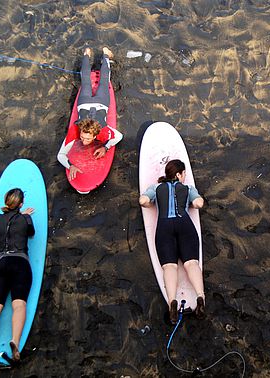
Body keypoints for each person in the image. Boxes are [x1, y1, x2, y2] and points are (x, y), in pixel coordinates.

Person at [139, 159, 205, 324]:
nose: (184, 177)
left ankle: (172, 302)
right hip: (184, 224)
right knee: (191, 263)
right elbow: (198, 203)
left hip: (164, 226)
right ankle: (200, 297)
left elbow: (143, 201)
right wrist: (191, 201)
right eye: (184, 174)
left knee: (169, 266)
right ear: (178, 174)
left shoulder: (156, 187)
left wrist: (151, 204)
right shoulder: (188, 188)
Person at [0, 188, 35, 366]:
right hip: (19, 263)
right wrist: (25, 216)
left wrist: (18, 212)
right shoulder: (24, 218)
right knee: (19, 304)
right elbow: (30, 233)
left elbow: (6, 224)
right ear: (21, 204)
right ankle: (15, 341)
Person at [57, 47, 123, 180]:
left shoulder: (103, 130)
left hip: (95, 102)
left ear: (95, 135)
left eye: (87, 139)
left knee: (101, 81)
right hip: (91, 102)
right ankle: (99, 55)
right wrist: (71, 166)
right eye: (83, 137)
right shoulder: (75, 130)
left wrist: (105, 147)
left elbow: (119, 136)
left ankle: (91, 55)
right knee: (87, 81)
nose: (84, 140)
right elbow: (60, 155)